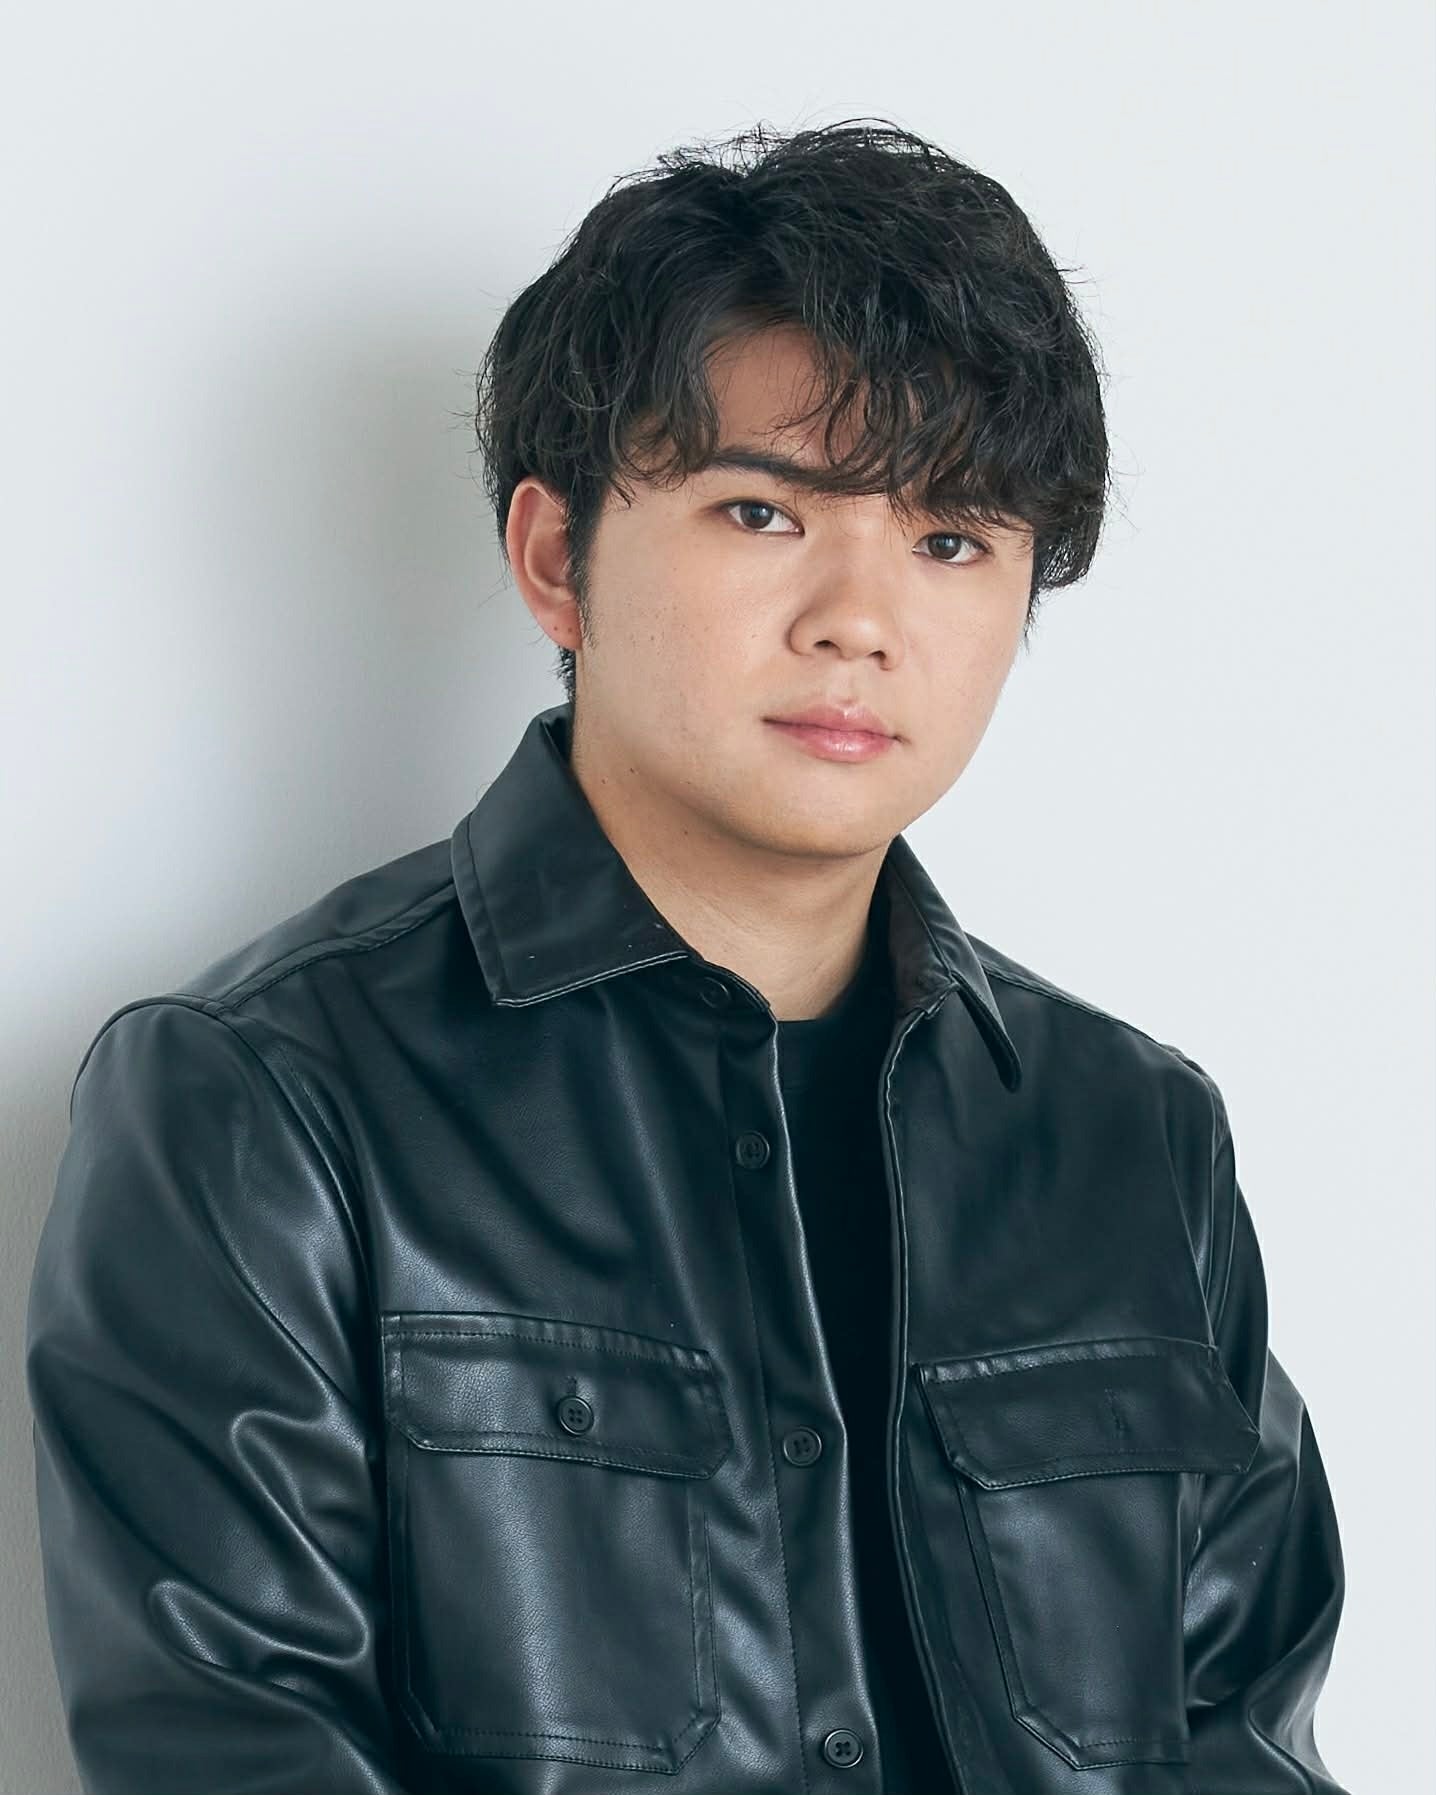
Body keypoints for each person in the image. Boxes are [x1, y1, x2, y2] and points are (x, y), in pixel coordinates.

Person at [26, 117, 1349, 1795]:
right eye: (762, 511)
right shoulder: (261, 1105)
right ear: (555, 559)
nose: (860, 616)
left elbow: (1241, 1739)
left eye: (952, 539)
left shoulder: (1133, 1136)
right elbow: (232, 1747)